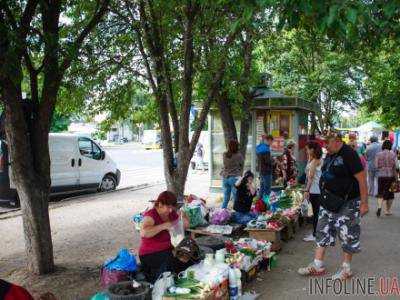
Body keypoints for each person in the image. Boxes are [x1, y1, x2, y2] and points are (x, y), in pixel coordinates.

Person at [298, 133, 368, 280]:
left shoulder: (350, 154)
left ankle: (346, 269)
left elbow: (362, 179)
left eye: (327, 144)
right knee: (321, 230)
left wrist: (364, 203)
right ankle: (318, 265)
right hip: (327, 201)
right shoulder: (330, 154)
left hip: (347, 203)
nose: (325, 146)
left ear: (336, 142)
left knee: (347, 235)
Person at [139, 191, 190, 283]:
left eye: (172, 207)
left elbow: (185, 225)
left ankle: (182, 281)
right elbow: (144, 233)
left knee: (188, 256)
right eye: (168, 207)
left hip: (168, 249)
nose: (170, 210)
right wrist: (163, 226)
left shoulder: (171, 213)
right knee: (171, 260)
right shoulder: (151, 215)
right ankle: (160, 284)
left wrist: (183, 216)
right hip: (150, 254)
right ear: (160, 204)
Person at [303, 141, 323, 242]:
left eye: (307, 149)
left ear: (312, 149)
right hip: (317, 190)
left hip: (315, 190)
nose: (306, 151)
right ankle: (316, 233)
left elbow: (310, 177)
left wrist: (306, 190)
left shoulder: (315, 161)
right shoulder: (317, 159)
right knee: (316, 213)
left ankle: (315, 235)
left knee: (315, 213)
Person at [375, 140, 398, 217]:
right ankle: (387, 210)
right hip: (391, 176)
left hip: (381, 176)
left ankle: (379, 207)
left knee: (380, 192)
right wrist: (396, 178)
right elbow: (396, 167)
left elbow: (376, 166)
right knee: (390, 193)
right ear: (390, 146)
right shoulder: (393, 155)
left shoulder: (378, 154)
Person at [221, 140, 243, 208]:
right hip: (234, 178)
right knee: (236, 197)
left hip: (225, 177)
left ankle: (222, 210)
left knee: (226, 197)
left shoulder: (224, 154)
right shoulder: (238, 155)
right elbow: (241, 164)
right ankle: (236, 212)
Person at [257, 134, 274, 199]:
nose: (271, 143)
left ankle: (259, 203)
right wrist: (273, 160)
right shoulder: (266, 149)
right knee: (267, 189)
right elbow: (268, 161)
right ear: (269, 140)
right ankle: (266, 204)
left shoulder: (260, 147)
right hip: (267, 171)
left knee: (262, 188)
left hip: (261, 171)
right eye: (271, 141)